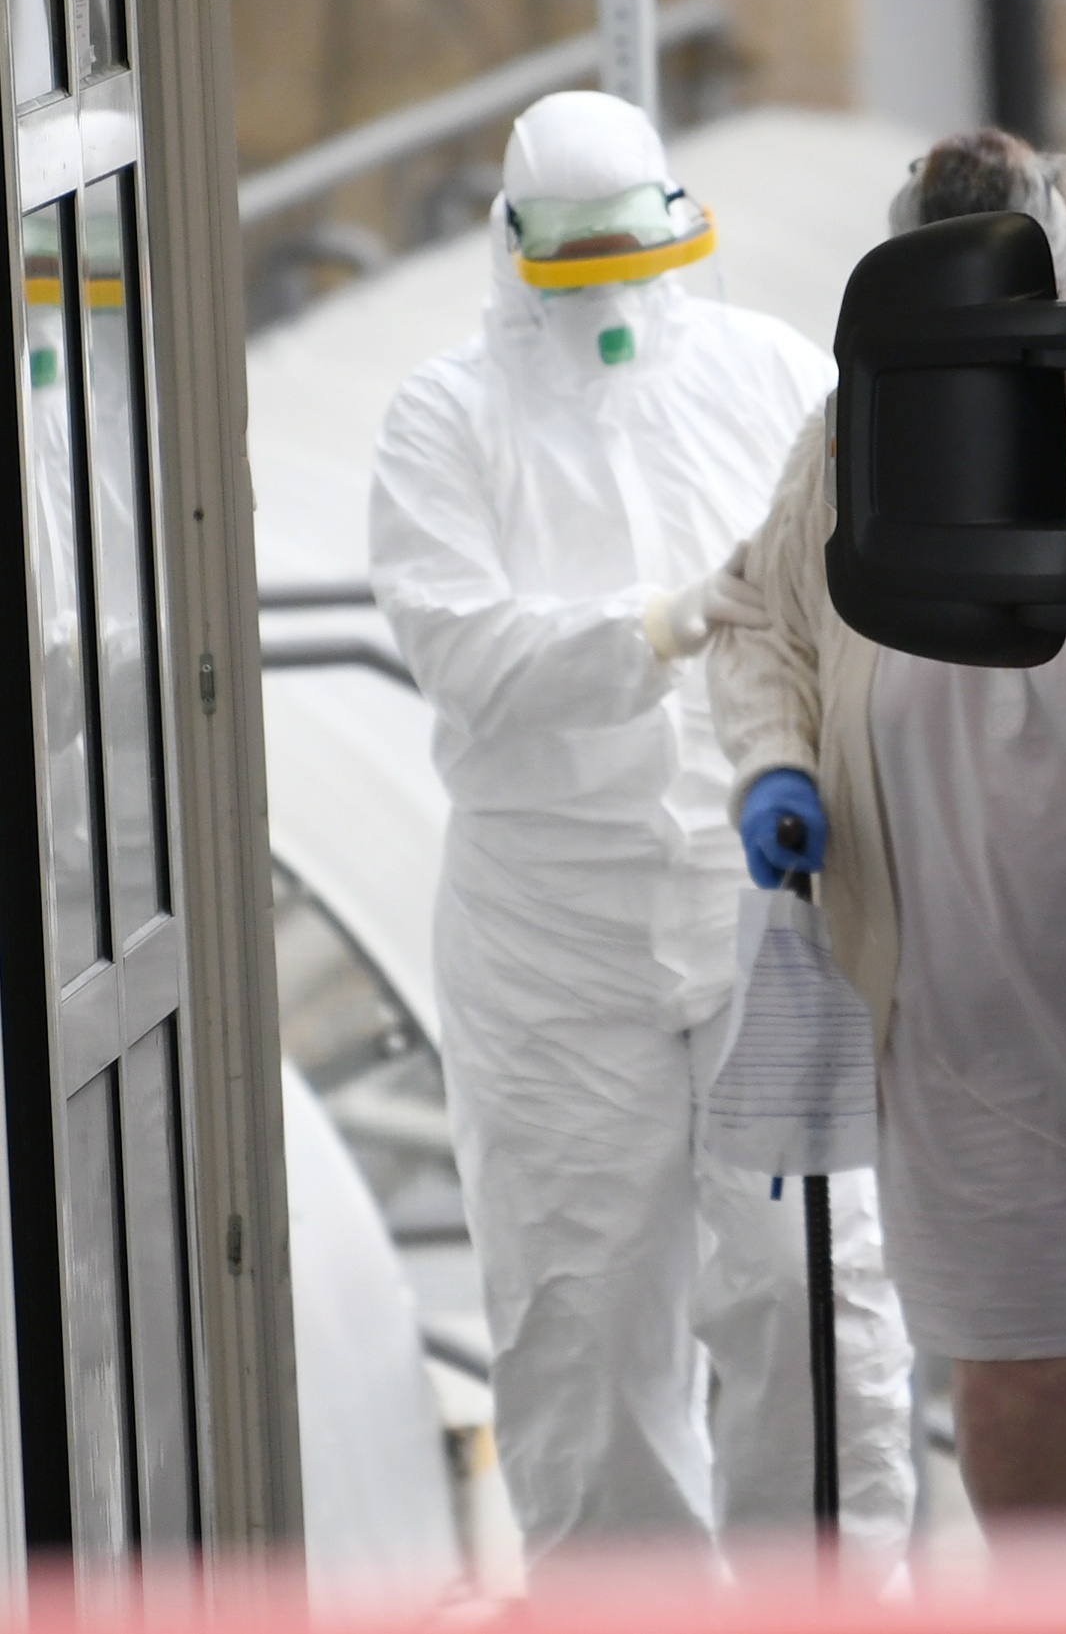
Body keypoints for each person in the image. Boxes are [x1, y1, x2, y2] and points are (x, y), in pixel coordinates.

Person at [367, 91, 914, 1568]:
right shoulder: (444, 420)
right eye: (577, 267)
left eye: (632, 256)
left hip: (766, 917)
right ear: (514, 251)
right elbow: (464, 648)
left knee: (816, 1297)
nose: (612, 297)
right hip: (554, 943)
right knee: (584, 1320)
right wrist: (660, 624)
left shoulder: (770, 377)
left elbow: (849, 590)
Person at [710, 128, 1066, 1523]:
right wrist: (777, 763)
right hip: (953, 1005)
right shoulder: (858, 435)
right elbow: (762, 614)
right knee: (1020, 1373)